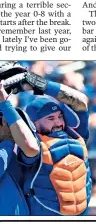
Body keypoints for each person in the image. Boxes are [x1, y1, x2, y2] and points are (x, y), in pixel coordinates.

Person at [22, 75, 92, 216]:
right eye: (50, 118)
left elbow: (81, 102)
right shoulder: (30, 144)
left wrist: (41, 84)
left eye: (60, 116)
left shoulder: (75, 134)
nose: (59, 123)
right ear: (34, 123)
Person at [0, 80, 40, 216]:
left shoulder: (17, 142)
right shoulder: (8, 144)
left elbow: (32, 148)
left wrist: (6, 105)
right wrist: (8, 141)